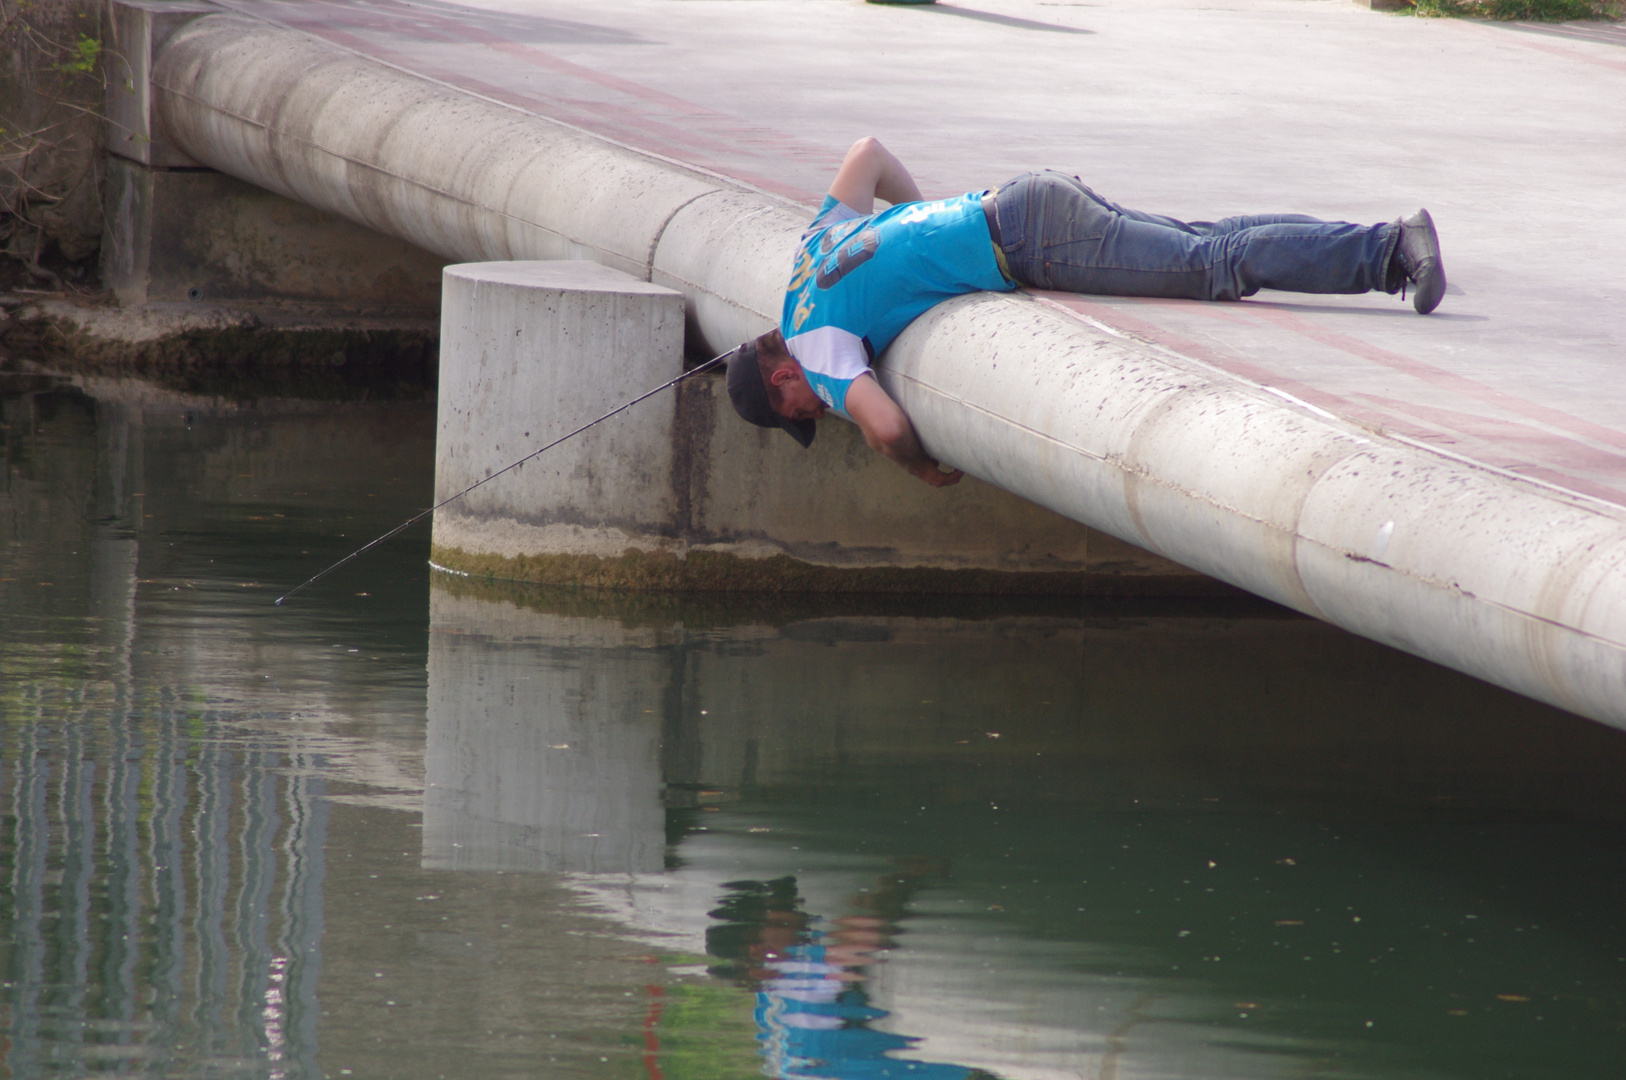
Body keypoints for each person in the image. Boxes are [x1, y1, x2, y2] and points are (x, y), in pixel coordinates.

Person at [726, 136, 1446, 487]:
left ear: (782, 383)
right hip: (1016, 201)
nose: (816, 416)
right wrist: (927, 227)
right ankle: (1380, 245)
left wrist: (917, 469)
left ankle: (1388, 252)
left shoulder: (816, 354)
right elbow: (869, 154)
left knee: (1212, 267)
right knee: (1208, 242)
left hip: (1037, 240)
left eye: (800, 417)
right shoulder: (804, 265)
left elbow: (884, 425)